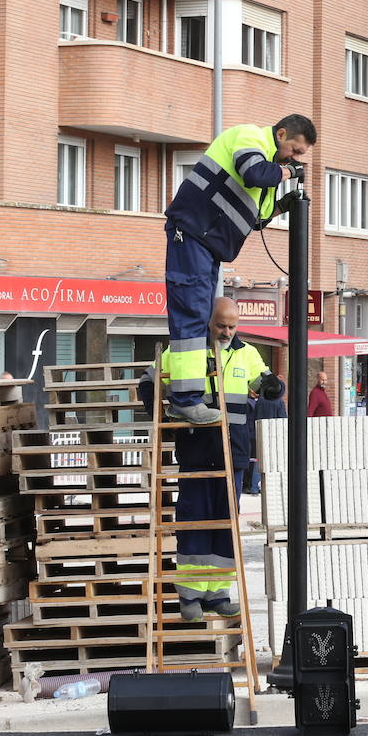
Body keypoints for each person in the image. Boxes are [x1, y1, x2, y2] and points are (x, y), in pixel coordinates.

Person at [161, 115, 316, 425]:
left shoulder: (267, 161)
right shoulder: (250, 137)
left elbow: (258, 217)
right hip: (193, 231)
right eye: (295, 150)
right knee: (192, 312)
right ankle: (186, 399)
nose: (295, 158)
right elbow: (254, 173)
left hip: (208, 242)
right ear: (281, 133)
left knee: (202, 315)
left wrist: (285, 203)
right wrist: (286, 172)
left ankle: (192, 396)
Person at [140, 298, 281, 619]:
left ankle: (217, 593)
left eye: (232, 326)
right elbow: (148, 383)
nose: (227, 332)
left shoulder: (247, 353)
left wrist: (273, 387)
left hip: (233, 453)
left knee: (226, 526)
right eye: (222, 325)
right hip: (197, 451)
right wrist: (163, 421)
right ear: (208, 322)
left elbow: (263, 382)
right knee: (194, 523)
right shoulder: (185, 353)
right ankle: (190, 596)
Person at [248, 376, 286, 494]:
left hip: (258, 433)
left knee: (259, 460)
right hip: (273, 435)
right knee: (273, 461)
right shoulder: (279, 402)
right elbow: (282, 419)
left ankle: (254, 487)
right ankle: (270, 487)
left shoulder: (260, 401)